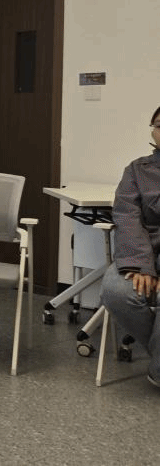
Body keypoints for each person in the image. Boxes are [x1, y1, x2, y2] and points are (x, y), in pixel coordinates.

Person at [100, 103, 160, 388]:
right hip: (140, 253)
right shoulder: (137, 170)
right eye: (159, 125)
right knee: (116, 291)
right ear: (152, 132)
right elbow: (127, 217)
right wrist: (140, 266)